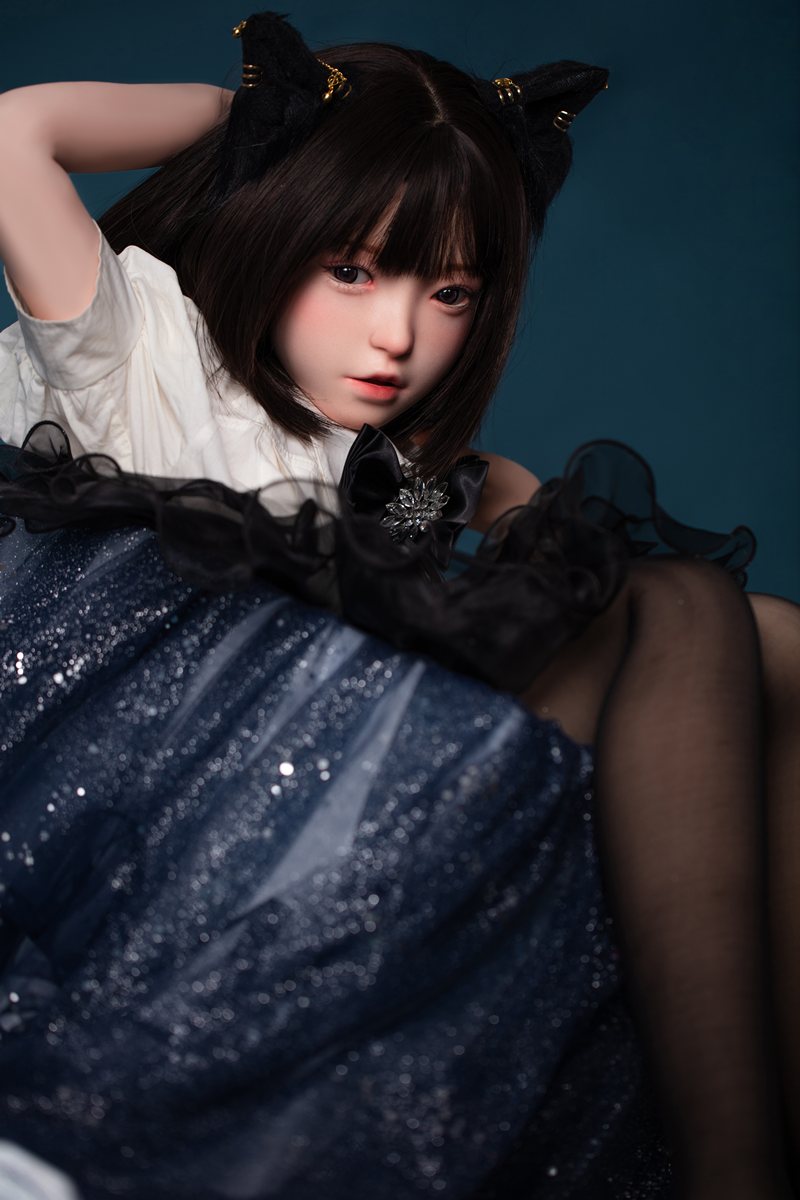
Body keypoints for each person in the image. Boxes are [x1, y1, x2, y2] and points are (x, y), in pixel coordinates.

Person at [0, 11, 798, 1200]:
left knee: (765, 638)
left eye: (451, 292)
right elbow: (16, 131)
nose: (398, 336)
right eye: (354, 269)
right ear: (275, 220)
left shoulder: (389, 478)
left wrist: (498, 509)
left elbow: (502, 528)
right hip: (173, 821)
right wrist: (259, 126)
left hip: (341, 806)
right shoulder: (136, 353)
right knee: (688, 609)